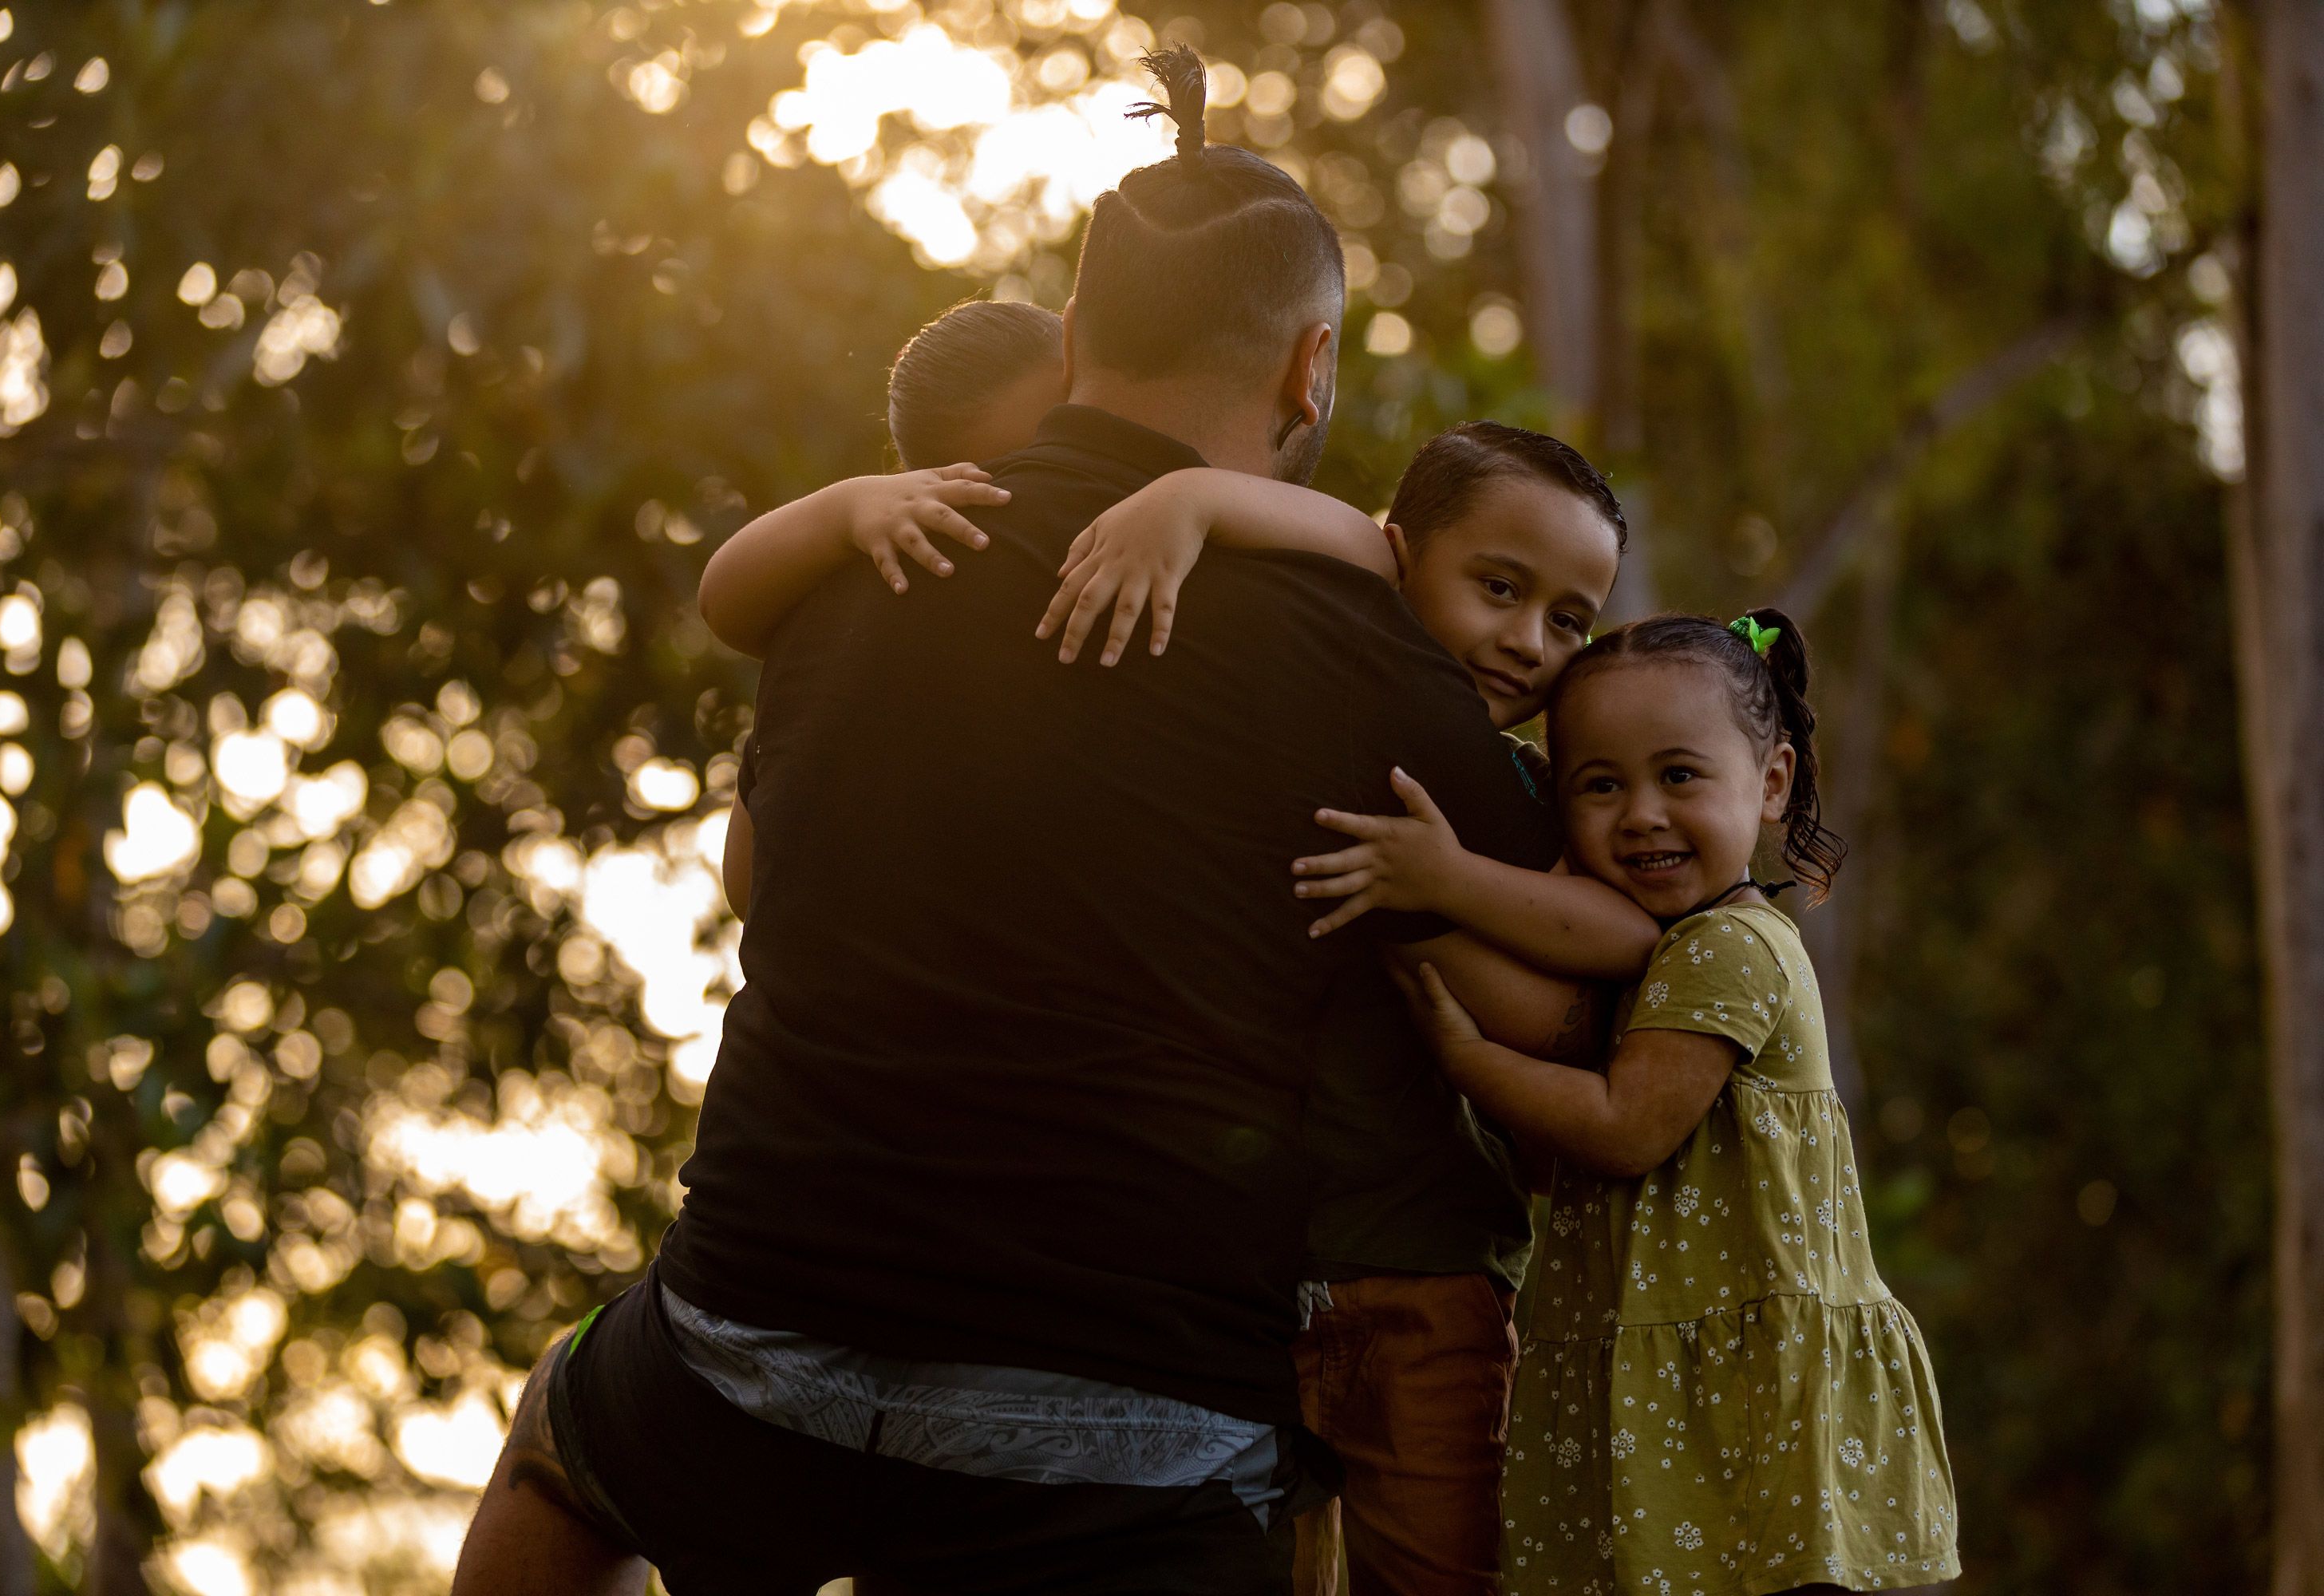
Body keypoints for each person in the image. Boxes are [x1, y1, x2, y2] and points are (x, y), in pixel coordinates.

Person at [457, 47, 1586, 1596]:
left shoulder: (868, 560)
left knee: (560, 1444)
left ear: (1072, 338)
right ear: (1309, 371)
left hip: (748, 1355)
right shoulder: (1351, 635)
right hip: (1129, 1443)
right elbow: (1555, 973)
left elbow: (760, 876)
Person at [702, 342, 1663, 1591]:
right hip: (1251, 1282)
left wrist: (1438, 897)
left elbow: (1585, 968)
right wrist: (1189, 500)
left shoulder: (1495, 801)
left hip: (1417, 1268)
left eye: (1569, 620)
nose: (1529, 641)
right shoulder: (1319, 667)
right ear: (1395, 557)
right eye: (1498, 588)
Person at [1389, 610, 1962, 1595]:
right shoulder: (1664, 951)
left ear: (1772, 782)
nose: (1641, 813)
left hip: (1748, 1404)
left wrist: (1462, 1054)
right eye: (1600, 785)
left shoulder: (1728, 946)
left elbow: (1623, 1126)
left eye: (1680, 775)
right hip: (1688, 1387)